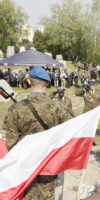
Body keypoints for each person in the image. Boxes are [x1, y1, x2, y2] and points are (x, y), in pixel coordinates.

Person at [3, 66, 73, 200]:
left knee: (28, 195)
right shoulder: (58, 107)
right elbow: (69, 135)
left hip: (26, 164)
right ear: (46, 83)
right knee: (48, 195)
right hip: (49, 161)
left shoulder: (15, 108)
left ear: (29, 81)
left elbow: (10, 142)